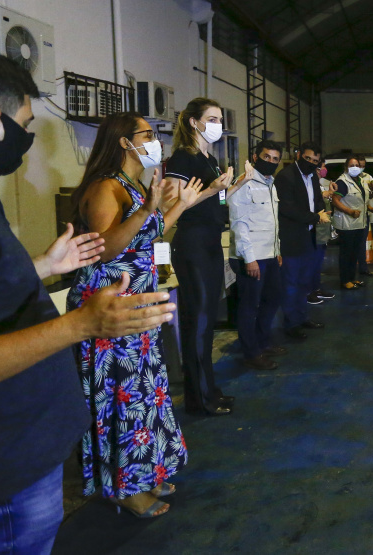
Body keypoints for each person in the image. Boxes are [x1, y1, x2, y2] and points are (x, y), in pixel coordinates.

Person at [0, 44, 177, 551]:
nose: (26, 139)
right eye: (25, 123)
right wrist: (80, 325)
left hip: (13, 457)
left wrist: (42, 267)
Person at [68, 112, 203, 518]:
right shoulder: (105, 187)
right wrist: (148, 210)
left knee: (145, 394)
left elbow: (150, 234)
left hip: (137, 305)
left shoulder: (135, 185)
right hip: (110, 308)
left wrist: (182, 205)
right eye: (148, 134)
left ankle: (144, 471)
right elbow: (106, 248)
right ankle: (122, 487)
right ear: (125, 142)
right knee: (122, 398)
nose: (155, 139)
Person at [165, 98, 242, 417]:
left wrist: (236, 185)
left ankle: (209, 387)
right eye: (211, 118)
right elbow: (174, 206)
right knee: (197, 321)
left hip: (211, 242)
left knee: (208, 321)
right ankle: (198, 398)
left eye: (220, 119)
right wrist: (212, 190)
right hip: (193, 243)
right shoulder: (181, 158)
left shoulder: (209, 158)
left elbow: (217, 199)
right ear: (194, 122)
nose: (218, 125)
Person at [229, 140, 284, 371]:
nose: (270, 162)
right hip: (250, 257)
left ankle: (262, 342)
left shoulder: (271, 184)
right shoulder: (244, 183)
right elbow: (239, 223)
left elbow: (272, 222)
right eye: (266, 157)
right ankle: (251, 353)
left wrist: (277, 250)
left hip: (269, 254)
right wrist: (249, 258)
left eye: (274, 159)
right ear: (255, 156)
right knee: (250, 306)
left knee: (272, 299)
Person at [275, 142, 330, 340]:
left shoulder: (312, 177)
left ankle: (302, 317)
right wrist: (316, 217)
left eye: (315, 161)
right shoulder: (286, 177)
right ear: (299, 155)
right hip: (291, 237)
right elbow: (287, 208)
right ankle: (291, 324)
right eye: (308, 159)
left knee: (304, 282)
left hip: (308, 236)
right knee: (291, 283)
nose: (311, 163)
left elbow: (317, 200)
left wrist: (322, 210)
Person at [332, 156, 369, 289]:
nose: (354, 167)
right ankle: (344, 280)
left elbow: (361, 201)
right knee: (346, 253)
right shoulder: (343, 182)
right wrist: (349, 211)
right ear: (346, 167)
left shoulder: (359, 180)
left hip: (358, 223)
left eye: (357, 165)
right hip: (347, 224)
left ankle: (352, 278)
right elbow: (335, 200)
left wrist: (370, 208)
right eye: (351, 165)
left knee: (354, 252)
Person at [308, 164, 337, 304]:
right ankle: (309, 292)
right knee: (311, 262)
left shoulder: (319, 184)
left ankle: (316, 288)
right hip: (315, 231)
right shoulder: (309, 184)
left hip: (322, 231)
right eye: (323, 167)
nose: (325, 169)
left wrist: (329, 193)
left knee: (318, 263)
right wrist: (323, 194)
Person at [356, 155, 373, 276]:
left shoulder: (368, 177)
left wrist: (371, 190)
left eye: (363, 166)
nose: (361, 168)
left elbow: (370, 197)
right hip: (352, 215)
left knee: (362, 242)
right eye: (359, 166)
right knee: (352, 242)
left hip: (364, 215)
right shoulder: (348, 178)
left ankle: (363, 268)